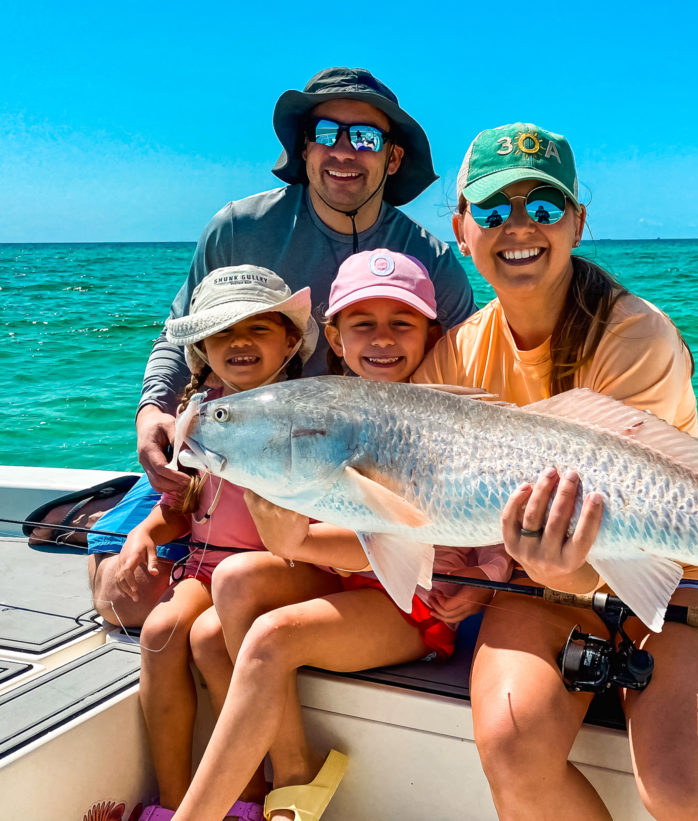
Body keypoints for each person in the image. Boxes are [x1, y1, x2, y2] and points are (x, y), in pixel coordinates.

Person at [412, 124, 698, 820]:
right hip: (542, 579)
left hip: (677, 567)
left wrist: (523, 566)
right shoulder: (456, 355)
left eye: (543, 208)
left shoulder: (635, 335)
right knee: (511, 739)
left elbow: (641, 541)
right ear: (461, 229)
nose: (517, 227)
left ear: (576, 223)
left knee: (691, 788)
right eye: (492, 209)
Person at [88, 66, 478, 628]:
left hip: (358, 472)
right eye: (326, 134)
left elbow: (462, 385)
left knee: (252, 594)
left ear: (392, 158)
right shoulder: (238, 228)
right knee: (121, 601)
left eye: (365, 137)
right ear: (302, 146)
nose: (344, 151)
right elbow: (179, 332)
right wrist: (151, 409)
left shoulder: (431, 261)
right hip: (241, 451)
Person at [170, 250, 512, 821]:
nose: (381, 339)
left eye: (400, 323)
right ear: (334, 333)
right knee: (222, 601)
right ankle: (264, 788)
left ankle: (257, 796)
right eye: (362, 324)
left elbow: (404, 537)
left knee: (272, 639)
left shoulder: (441, 403)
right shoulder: (320, 404)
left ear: (431, 332)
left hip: (413, 603)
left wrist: (487, 575)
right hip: (342, 583)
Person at [112, 266, 319, 821]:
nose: (240, 343)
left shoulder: (309, 414)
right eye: (223, 333)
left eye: (258, 328)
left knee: (208, 639)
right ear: (201, 348)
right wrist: (143, 533)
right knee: (158, 631)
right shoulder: (196, 416)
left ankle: (244, 796)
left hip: (284, 567)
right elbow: (181, 508)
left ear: (291, 341)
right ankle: (172, 800)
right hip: (204, 568)